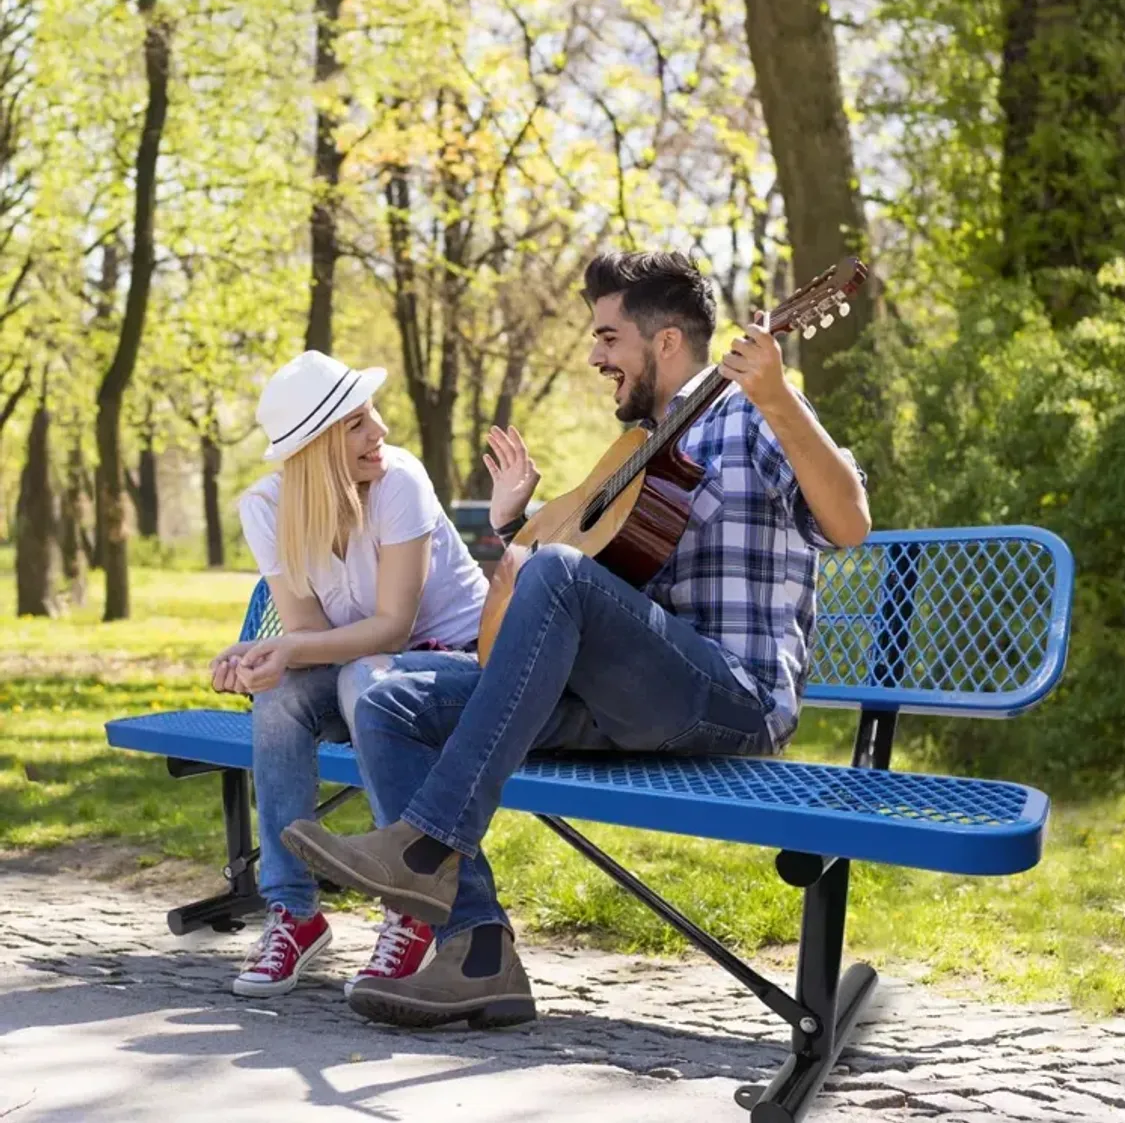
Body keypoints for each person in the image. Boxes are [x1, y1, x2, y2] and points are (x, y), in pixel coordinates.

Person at [280, 252, 872, 1028]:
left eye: (607, 337)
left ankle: (423, 848)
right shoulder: (641, 448)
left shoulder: (748, 411)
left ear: (664, 342)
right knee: (391, 699)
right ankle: (478, 949)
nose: (595, 358)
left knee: (556, 574)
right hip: (628, 700)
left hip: (733, 697)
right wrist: (512, 531)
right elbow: (583, 573)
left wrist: (780, 395)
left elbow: (851, 522)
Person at [210, 349, 489, 999]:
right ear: (316, 445)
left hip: (455, 664)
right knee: (281, 693)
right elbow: (306, 636)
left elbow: (394, 626)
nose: (381, 431)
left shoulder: (400, 482)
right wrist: (259, 654)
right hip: (364, 669)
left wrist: (292, 648)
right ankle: (295, 912)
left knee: (364, 678)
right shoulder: (267, 507)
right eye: (358, 423)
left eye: (374, 415)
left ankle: (410, 902)